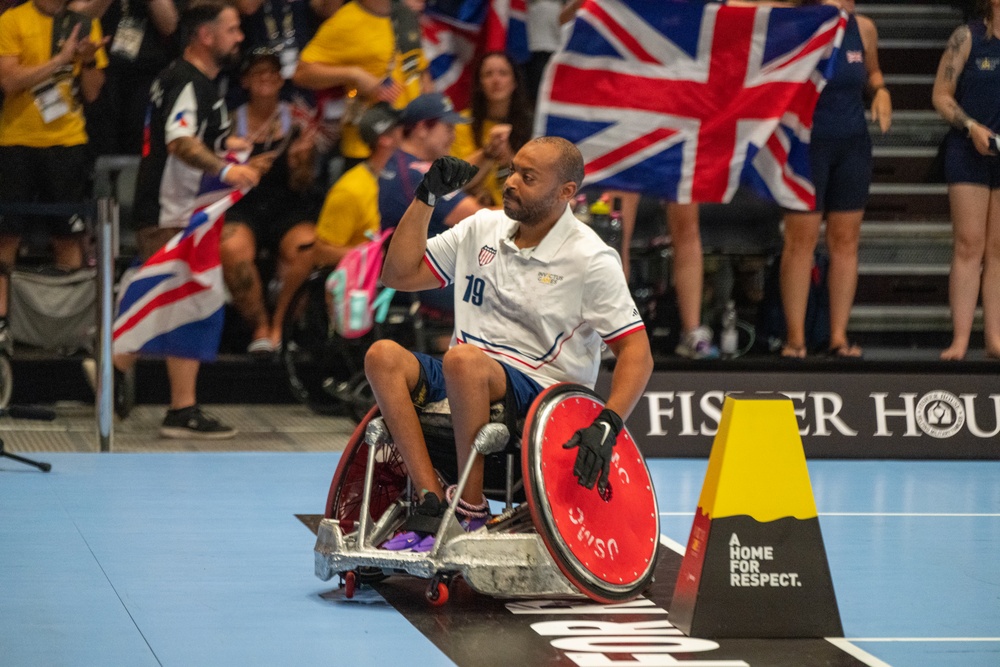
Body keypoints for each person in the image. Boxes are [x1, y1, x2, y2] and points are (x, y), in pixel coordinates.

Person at [366, 138, 653, 551]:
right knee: (383, 356)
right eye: (514, 170)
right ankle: (431, 501)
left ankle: (471, 509)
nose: (512, 182)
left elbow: (637, 353)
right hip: (468, 373)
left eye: (528, 177)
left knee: (463, 360)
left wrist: (608, 422)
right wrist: (427, 197)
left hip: (541, 395)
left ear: (565, 192)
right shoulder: (482, 227)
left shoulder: (591, 259)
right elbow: (397, 274)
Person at [121, 0, 263, 438]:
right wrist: (225, 169)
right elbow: (180, 140)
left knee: (190, 303)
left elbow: (194, 139)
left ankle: (116, 363)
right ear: (205, 35)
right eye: (232, 29)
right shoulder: (185, 80)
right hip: (172, 213)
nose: (240, 37)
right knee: (189, 304)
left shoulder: (198, 83)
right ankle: (171, 401)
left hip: (183, 212)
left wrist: (238, 146)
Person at [779, 0, 891, 359]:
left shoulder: (865, 28)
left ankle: (838, 336)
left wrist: (882, 91)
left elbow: (872, 74)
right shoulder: (798, 25)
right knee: (801, 241)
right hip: (808, 145)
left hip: (852, 143)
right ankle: (795, 339)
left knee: (846, 241)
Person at [0, 0, 109, 342]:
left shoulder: (84, 23)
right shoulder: (11, 21)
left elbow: (92, 90)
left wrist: (87, 58)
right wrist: (61, 61)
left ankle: (68, 329)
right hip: (16, 140)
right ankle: (2, 324)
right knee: (6, 236)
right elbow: (9, 81)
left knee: (67, 235)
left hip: (67, 141)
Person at [222, 48, 321, 355]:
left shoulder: (298, 119)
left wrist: (300, 163)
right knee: (232, 248)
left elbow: (303, 184)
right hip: (243, 205)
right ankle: (259, 327)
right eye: (258, 73)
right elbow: (215, 175)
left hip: (288, 205)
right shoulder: (228, 121)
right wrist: (245, 170)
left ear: (281, 80)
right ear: (246, 81)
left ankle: (282, 326)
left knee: (307, 246)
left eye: (272, 73)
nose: (266, 79)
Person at [932, 0, 1000, 360]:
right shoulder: (968, 37)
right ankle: (959, 340)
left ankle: (995, 339)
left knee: (998, 249)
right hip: (968, 148)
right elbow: (940, 96)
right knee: (969, 245)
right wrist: (971, 125)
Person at [292, 0, 431, 173]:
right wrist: (354, 74)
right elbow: (302, 73)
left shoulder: (405, 14)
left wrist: (431, 116)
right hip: (367, 145)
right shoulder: (346, 20)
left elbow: (419, 67)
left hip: (409, 140)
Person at [379, 92, 485, 315]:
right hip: (423, 279)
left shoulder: (399, 162)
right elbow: (478, 217)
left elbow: (461, 180)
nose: (453, 137)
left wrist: (488, 154)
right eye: (448, 129)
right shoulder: (419, 172)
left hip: (413, 272)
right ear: (421, 129)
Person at [313, 102, 402, 267]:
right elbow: (321, 252)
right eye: (402, 129)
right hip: (366, 284)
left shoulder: (404, 177)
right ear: (385, 139)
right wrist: (377, 255)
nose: (407, 133)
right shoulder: (351, 190)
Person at [450, 51, 533, 208]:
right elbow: (454, 181)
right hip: (472, 210)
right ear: (480, 84)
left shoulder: (531, 123)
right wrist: (488, 152)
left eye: (503, 73)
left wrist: (509, 157)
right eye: (488, 74)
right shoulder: (461, 123)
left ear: (515, 82)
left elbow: (536, 183)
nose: (496, 80)